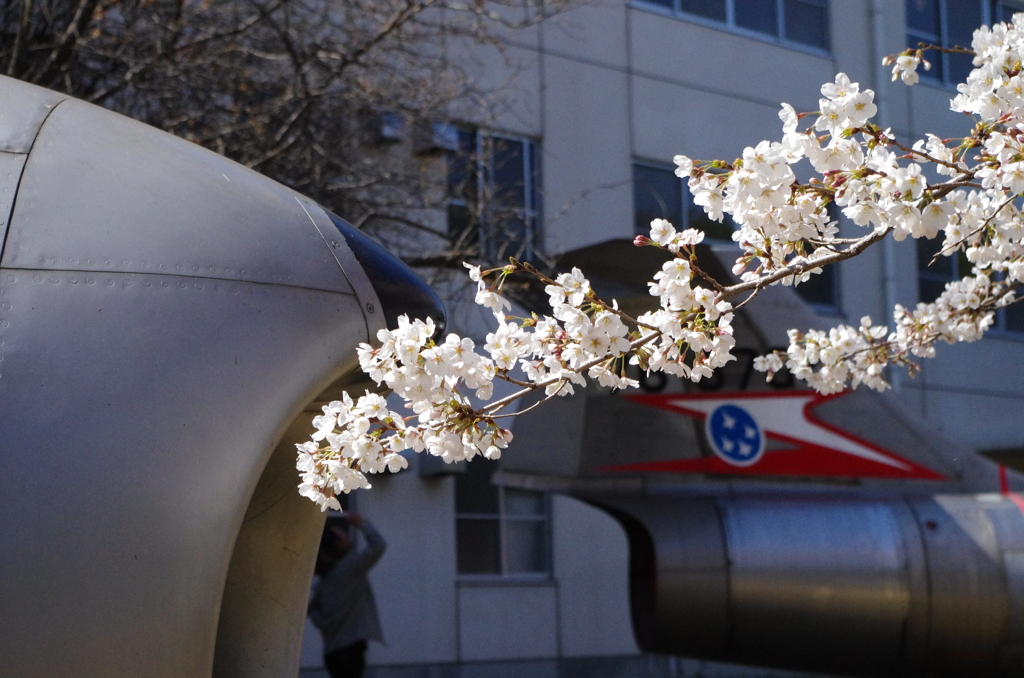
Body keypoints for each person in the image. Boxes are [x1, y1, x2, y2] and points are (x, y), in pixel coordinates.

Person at [308, 512, 386, 678]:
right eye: (341, 533)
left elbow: (312, 609)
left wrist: (324, 624)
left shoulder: (326, 578)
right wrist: (361, 523)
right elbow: (378, 545)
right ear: (337, 544)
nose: (345, 533)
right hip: (350, 655)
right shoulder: (349, 569)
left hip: (332, 653)